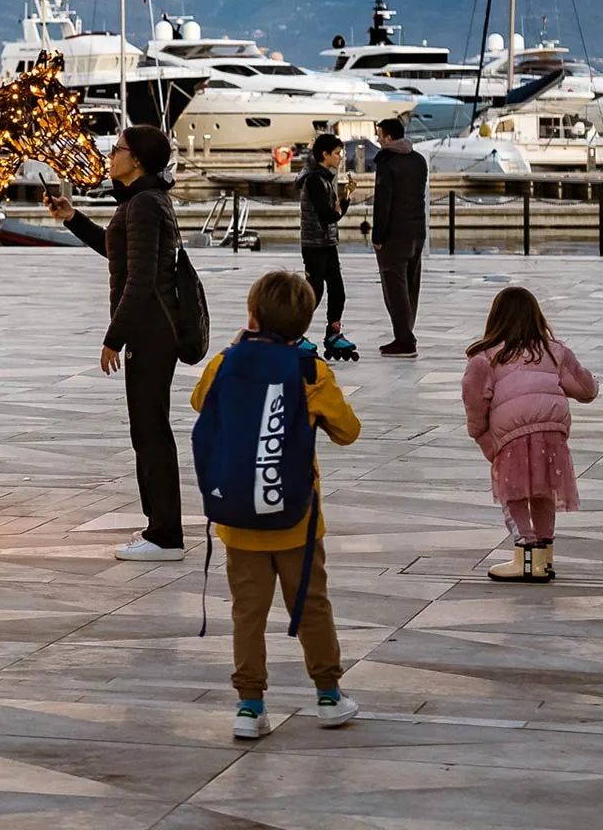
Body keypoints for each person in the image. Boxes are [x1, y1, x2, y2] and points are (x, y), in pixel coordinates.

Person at [192, 271, 362, 739]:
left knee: (248, 612)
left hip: (239, 523)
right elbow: (349, 431)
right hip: (297, 522)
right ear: (304, 325)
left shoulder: (225, 363)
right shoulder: (311, 371)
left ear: (252, 315)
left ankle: (250, 706)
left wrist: (234, 351)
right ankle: (328, 695)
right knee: (311, 605)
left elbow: (198, 402)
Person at [48, 124, 187, 562]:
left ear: (139, 160)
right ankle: (159, 528)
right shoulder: (140, 201)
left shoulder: (144, 204)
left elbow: (141, 280)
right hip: (151, 331)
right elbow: (119, 253)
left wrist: (114, 337)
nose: (112, 155)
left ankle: (165, 536)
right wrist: (72, 218)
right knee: (147, 432)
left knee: (151, 433)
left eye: (118, 149)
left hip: (152, 332)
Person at [461, 286, 597, 583]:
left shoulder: (485, 359)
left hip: (511, 439)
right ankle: (544, 557)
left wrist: (482, 436)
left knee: (514, 495)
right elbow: (586, 390)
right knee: (544, 492)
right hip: (553, 436)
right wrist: (591, 380)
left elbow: (475, 402)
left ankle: (525, 555)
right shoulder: (554, 351)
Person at [370, 117, 428, 358]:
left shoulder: (387, 162)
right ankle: (405, 334)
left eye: (380, 135)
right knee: (411, 285)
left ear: (389, 137)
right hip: (416, 231)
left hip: (394, 235)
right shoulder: (419, 160)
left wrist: (378, 235)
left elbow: (383, 202)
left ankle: (404, 340)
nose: (378, 139)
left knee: (395, 287)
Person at [298, 133, 355, 360]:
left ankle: (333, 333)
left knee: (337, 291)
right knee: (314, 291)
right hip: (314, 244)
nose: (340, 158)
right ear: (325, 155)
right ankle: (293, 333)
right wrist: (345, 205)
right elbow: (327, 215)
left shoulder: (325, 177)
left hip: (327, 243)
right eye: (337, 154)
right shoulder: (313, 179)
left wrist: (344, 200)